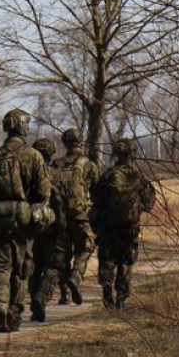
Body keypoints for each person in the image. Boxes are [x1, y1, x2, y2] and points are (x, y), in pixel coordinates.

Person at [0, 109, 50, 332]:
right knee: (21, 268)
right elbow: (43, 191)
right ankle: (14, 312)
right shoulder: (33, 155)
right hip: (23, 221)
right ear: (21, 127)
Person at [92, 138, 156, 308]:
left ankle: (107, 288)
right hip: (130, 226)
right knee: (126, 260)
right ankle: (121, 297)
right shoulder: (138, 176)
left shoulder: (107, 175)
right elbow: (149, 202)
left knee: (107, 258)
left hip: (108, 225)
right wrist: (136, 208)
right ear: (131, 154)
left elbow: (96, 199)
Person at [51, 128, 101, 305]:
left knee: (63, 254)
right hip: (81, 215)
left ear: (65, 143)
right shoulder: (88, 165)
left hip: (59, 216)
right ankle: (76, 276)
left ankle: (64, 293)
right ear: (81, 142)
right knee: (86, 247)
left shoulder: (55, 164)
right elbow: (97, 193)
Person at [28, 137, 66, 320]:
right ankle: (41, 298)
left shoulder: (27, 173)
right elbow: (64, 201)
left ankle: (34, 303)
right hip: (52, 226)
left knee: (35, 266)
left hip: (31, 224)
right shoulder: (56, 175)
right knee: (55, 266)